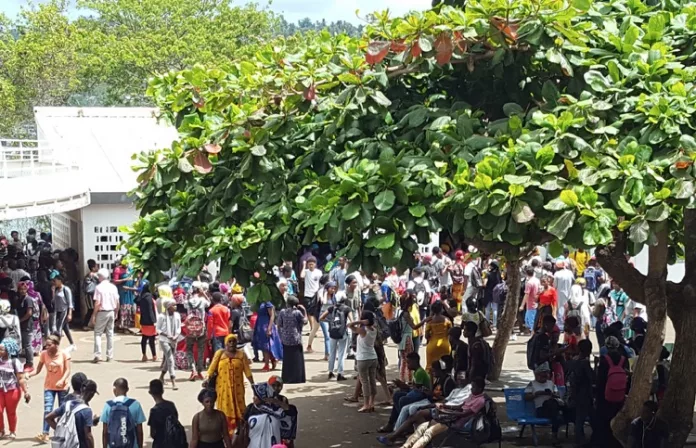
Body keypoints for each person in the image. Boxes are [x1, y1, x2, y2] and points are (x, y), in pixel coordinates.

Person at [397, 377, 487, 448]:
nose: (471, 390)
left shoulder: (480, 401)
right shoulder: (472, 396)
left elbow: (465, 414)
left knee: (428, 432)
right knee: (421, 428)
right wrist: (445, 407)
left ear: (480, 388)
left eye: (474, 387)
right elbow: (459, 407)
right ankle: (405, 446)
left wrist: (448, 413)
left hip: (456, 422)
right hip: (450, 417)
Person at [205, 334, 255, 434]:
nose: (232, 344)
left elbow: (247, 371)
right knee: (224, 408)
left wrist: (253, 385)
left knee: (240, 408)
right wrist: (207, 378)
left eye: (234, 341)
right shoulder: (220, 354)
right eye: (230, 341)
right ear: (226, 343)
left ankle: (240, 432)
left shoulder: (241, 355)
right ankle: (225, 431)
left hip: (238, 389)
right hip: (223, 389)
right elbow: (211, 369)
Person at [29, 335, 71, 443]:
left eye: (49, 345)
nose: (46, 347)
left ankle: (62, 432)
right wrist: (29, 375)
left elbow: (67, 371)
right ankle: (45, 433)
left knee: (62, 411)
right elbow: (38, 370)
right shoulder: (44, 354)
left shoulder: (64, 354)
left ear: (56, 345)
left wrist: (62, 380)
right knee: (48, 410)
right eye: (45, 345)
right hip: (49, 386)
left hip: (62, 387)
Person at [378, 352, 431, 433]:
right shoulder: (416, 372)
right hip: (417, 393)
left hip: (423, 396)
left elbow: (417, 389)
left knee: (402, 400)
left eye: (409, 363)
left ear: (415, 362)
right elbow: (413, 387)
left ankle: (403, 423)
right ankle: (393, 423)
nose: (407, 365)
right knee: (397, 394)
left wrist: (404, 386)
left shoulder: (420, 372)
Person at [244, 377, 298, 448]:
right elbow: (244, 423)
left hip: (274, 438)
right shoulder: (252, 407)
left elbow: (289, 413)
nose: (276, 388)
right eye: (273, 385)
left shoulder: (282, 400)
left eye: (278, 386)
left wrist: (275, 401)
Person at [595, 336, 628, 447]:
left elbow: (600, 380)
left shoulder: (605, 359)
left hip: (606, 395)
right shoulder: (623, 359)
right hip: (620, 394)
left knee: (605, 420)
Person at [46, 379, 98, 448]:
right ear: (91, 393)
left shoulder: (67, 404)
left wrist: (61, 430)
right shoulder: (87, 410)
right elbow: (88, 436)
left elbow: (48, 418)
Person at [100, 378, 146, 448]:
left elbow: (105, 432)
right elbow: (140, 431)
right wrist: (140, 446)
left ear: (114, 390)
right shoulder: (135, 404)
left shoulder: (108, 405)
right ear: (127, 389)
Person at [525, 363, 563, 444]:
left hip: (552, 406)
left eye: (546, 374)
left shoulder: (551, 383)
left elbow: (557, 395)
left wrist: (551, 394)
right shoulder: (532, 384)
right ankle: (554, 435)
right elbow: (527, 397)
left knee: (553, 407)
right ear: (537, 374)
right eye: (543, 375)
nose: (545, 376)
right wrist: (537, 394)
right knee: (555, 413)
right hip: (541, 409)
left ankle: (554, 435)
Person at [350, 310, 379, 413]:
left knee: (365, 382)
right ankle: (372, 403)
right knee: (372, 381)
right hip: (373, 357)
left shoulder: (363, 331)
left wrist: (360, 321)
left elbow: (350, 325)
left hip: (363, 358)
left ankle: (366, 404)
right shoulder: (374, 329)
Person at [0, 340, 29, 439]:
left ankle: (12, 431)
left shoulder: (15, 362)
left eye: (1, 349)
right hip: (0, 391)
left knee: (10, 412)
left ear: (8, 350)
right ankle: (1, 430)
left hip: (12, 390)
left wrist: (26, 392)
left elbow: (21, 378)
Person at [397, 295, 428, 382]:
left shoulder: (400, 312)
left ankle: (402, 379)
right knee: (409, 361)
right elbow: (414, 326)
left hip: (402, 339)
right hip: (407, 338)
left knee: (403, 360)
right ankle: (410, 380)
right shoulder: (406, 314)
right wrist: (424, 321)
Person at [91, 268, 119, 363]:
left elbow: (97, 303)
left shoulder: (98, 288)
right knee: (110, 334)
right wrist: (116, 312)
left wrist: (94, 315)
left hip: (102, 312)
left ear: (100, 277)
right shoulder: (113, 287)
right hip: (111, 311)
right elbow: (117, 301)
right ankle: (109, 356)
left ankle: (98, 355)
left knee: (98, 333)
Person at [276, 296, 306, 384]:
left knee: (287, 359)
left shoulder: (282, 312)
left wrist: (281, 335)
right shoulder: (297, 313)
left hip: (285, 339)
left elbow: (279, 324)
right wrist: (304, 311)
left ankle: (287, 378)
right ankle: (297, 378)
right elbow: (305, 321)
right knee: (297, 359)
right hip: (296, 338)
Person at [185, 283, 210, 380]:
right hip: (201, 329)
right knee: (201, 350)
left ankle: (193, 370)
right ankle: (199, 371)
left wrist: (188, 295)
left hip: (190, 330)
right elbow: (209, 302)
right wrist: (204, 294)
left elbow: (184, 304)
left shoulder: (188, 302)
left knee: (189, 350)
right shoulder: (203, 301)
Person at [146, 379, 180, 448]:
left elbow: (152, 433)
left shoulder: (154, 411)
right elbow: (176, 420)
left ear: (150, 392)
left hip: (160, 443)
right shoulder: (171, 405)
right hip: (174, 442)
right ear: (163, 391)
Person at [156, 299, 181, 390]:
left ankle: (161, 376)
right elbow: (158, 329)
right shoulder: (161, 316)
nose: (175, 307)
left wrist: (176, 335)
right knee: (170, 359)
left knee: (168, 359)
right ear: (168, 307)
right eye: (173, 305)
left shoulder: (177, 315)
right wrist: (167, 335)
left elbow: (178, 328)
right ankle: (173, 381)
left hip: (174, 339)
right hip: (164, 339)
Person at [252, 299, 282, 372]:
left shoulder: (268, 302)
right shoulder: (258, 302)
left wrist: (269, 328)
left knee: (266, 346)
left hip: (266, 325)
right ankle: (272, 360)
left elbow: (272, 315)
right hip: (259, 324)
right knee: (263, 345)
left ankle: (267, 364)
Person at [300, 256, 322, 350]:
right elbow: (301, 276)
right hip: (307, 294)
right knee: (309, 312)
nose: (311, 266)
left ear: (315, 264)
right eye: (309, 264)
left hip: (316, 294)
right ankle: (312, 328)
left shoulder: (318, 272)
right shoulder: (306, 271)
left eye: (312, 264)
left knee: (315, 311)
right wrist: (304, 266)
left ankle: (314, 328)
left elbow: (322, 282)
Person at [307, 277, 331, 360]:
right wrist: (325, 294)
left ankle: (309, 345)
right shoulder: (321, 291)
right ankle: (327, 354)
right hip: (320, 314)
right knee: (326, 335)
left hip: (326, 315)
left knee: (315, 329)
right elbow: (323, 302)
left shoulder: (331, 291)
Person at [424, 301, 451, 372]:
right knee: (445, 366)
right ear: (441, 309)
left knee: (430, 367)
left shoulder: (430, 321)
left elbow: (426, 336)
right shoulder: (447, 320)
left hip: (432, 346)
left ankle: (431, 382)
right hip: (445, 345)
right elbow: (451, 332)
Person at [52, 274, 76, 350]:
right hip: (58, 311)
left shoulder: (66, 290)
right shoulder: (56, 290)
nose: (54, 283)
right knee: (65, 328)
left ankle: (56, 346)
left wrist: (70, 313)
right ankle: (72, 344)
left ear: (60, 281)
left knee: (59, 329)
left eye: (55, 281)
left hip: (64, 311)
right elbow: (53, 301)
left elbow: (70, 303)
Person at [15, 281, 35, 370]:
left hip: (27, 326)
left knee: (28, 345)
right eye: (21, 289)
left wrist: (19, 320)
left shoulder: (28, 299)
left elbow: (29, 313)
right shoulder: (19, 299)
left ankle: (30, 363)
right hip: (21, 326)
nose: (22, 291)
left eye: (24, 289)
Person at [136, 281, 158, 362]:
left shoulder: (143, 296)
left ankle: (144, 355)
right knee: (152, 338)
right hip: (150, 320)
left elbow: (136, 301)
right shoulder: (149, 297)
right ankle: (154, 355)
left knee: (144, 338)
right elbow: (150, 310)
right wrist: (153, 321)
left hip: (143, 320)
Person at [553, 260, 575, 331]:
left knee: (560, 309)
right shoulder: (570, 272)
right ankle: (567, 325)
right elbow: (573, 281)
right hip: (569, 292)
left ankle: (561, 326)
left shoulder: (557, 274)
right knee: (567, 308)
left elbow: (554, 285)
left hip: (559, 293)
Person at [519, 266, 540, 334]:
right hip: (535, 304)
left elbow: (526, 294)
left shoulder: (529, 283)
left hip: (531, 305)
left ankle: (534, 338)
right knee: (529, 321)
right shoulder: (537, 280)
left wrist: (522, 305)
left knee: (531, 322)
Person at [483, 260, 502, 327]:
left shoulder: (488, 274)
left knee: (487, 310)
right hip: (496, 293)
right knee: (495, 309)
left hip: (488, 293)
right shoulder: (499, 274)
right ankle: (495, 324)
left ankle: (487, 324)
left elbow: (484, 284)